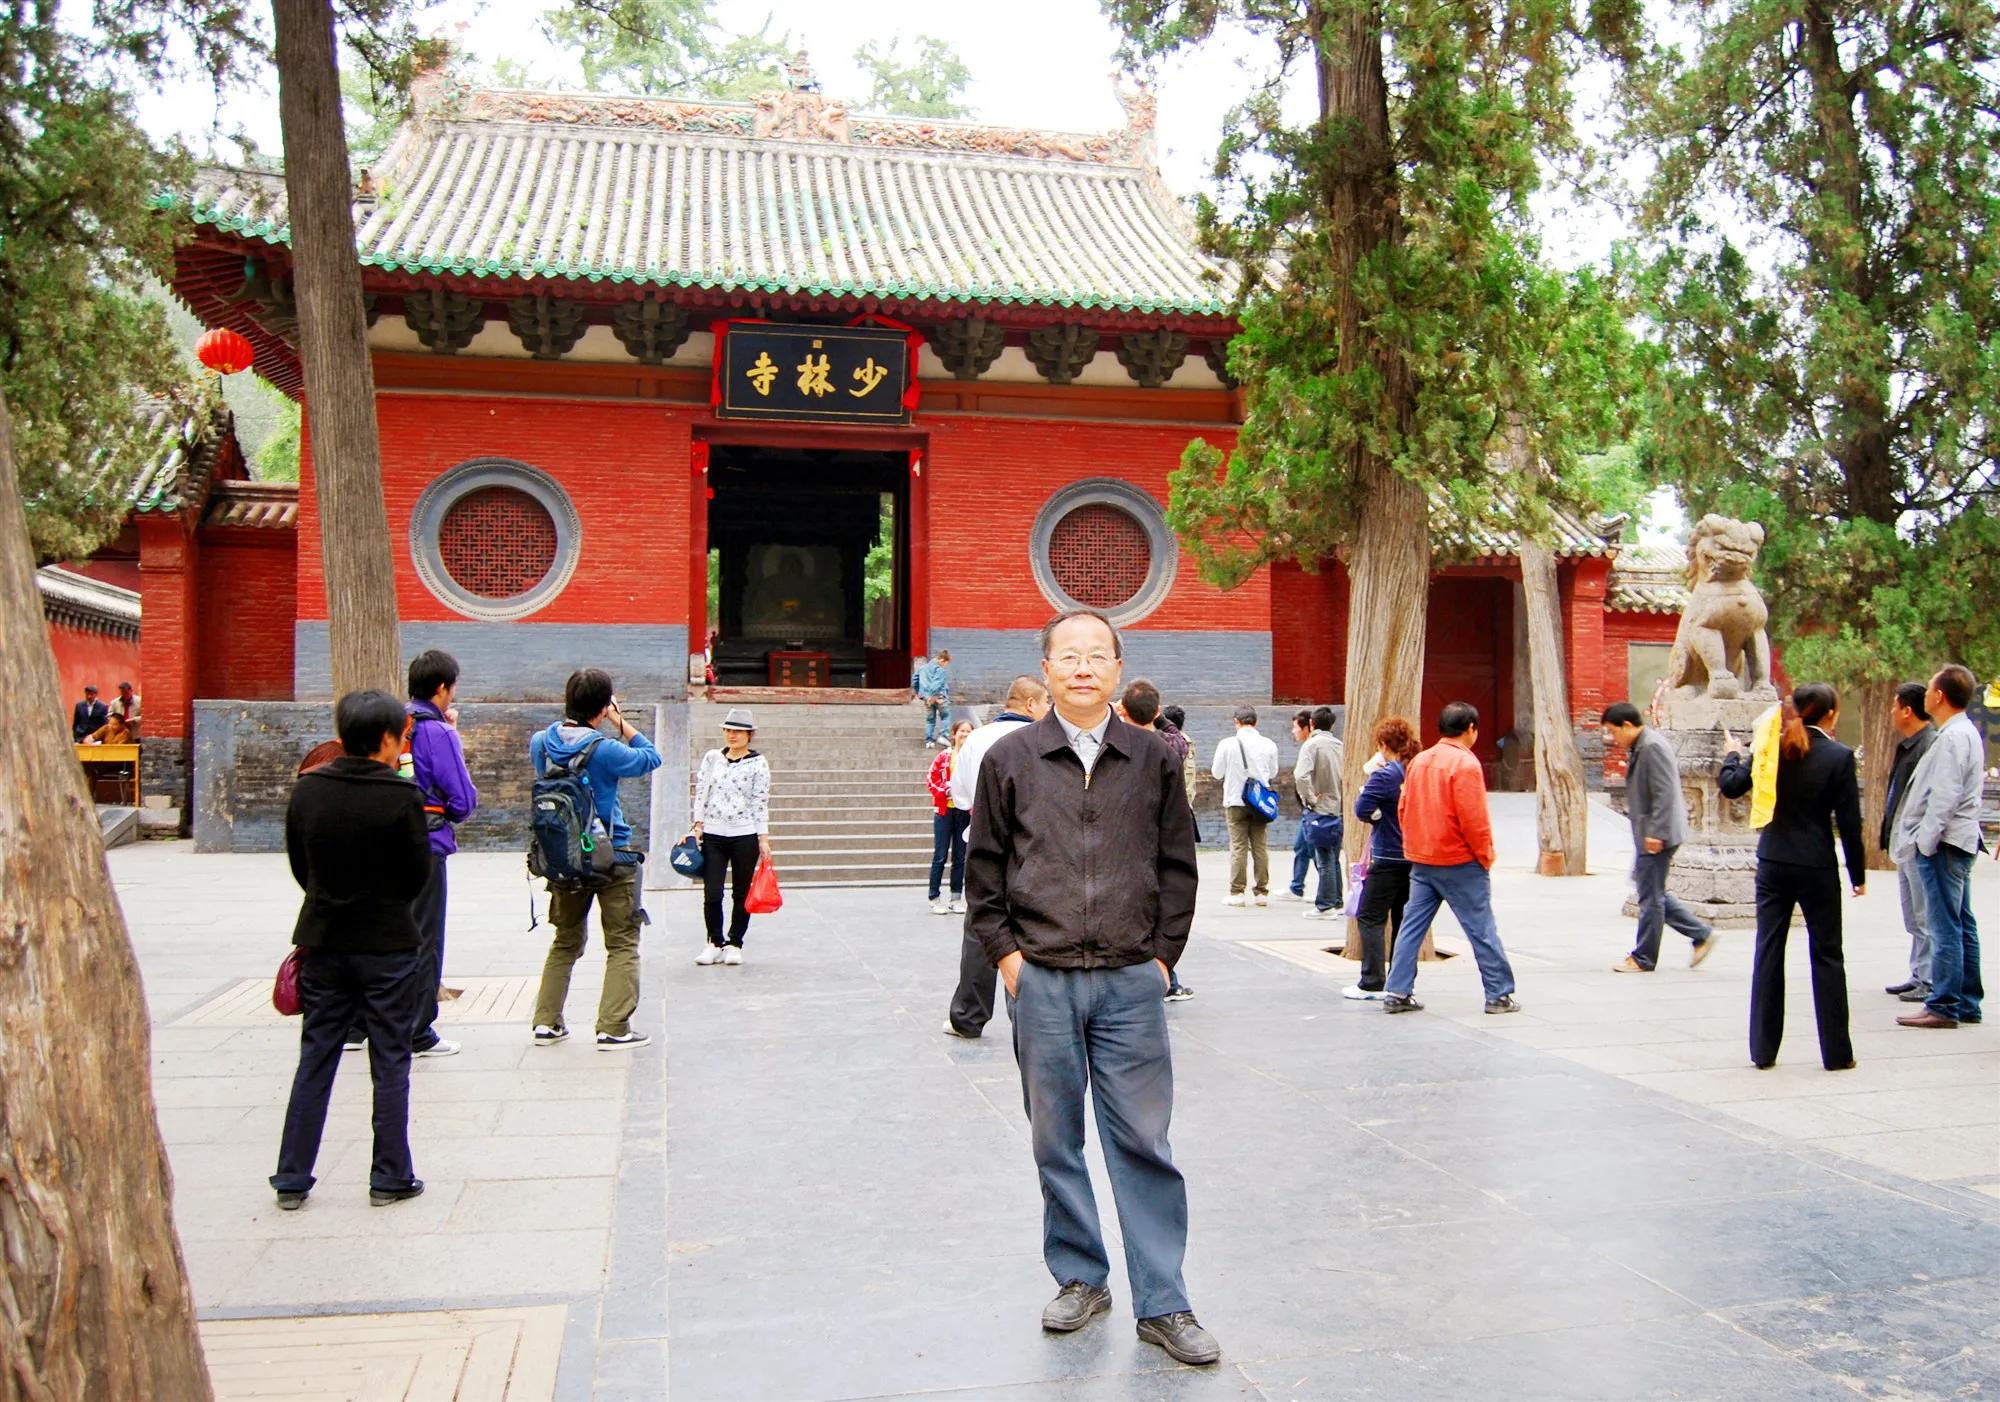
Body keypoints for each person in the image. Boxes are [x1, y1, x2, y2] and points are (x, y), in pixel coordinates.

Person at [964, 610, 1216, 1366]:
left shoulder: (1153, 757)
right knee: (1055, 1140)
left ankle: (1164, 1301)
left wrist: (1162, 958)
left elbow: (1178, 863)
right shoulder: (1010, 758)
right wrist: (1008, 959)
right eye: (1066, 656)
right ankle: (1080, 1276)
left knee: (1143, 1141)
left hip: (1130, 982)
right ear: (1045, 668)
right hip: (1040, 978)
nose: (1081, 667)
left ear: (1116, 667)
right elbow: (984, 871)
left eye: (1095, 655)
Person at [270, 689, 433, 1210]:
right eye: (401, 736)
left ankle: (292, 1176)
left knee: (315, 1057)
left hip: (324, 940)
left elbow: (301, 867)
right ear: (386, 738)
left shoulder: (308, 791)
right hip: (387, 945)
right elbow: (415, 876)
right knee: (390, 1059)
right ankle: (390, 1176)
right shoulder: (400, 796)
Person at [1719, 683, 1863, 1067]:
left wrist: (1732, 756)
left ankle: (1763, 1051)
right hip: (1816, 864)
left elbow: (1731, 786)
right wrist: (1858, 874)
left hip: (1773, 861)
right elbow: (1849, 822)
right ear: (1830, 714)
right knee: (1827, 955)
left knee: (1769, 950)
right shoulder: (1839, 756)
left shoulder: (1769, 749)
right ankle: (1836, 1054)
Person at [529, 670, 664, 1048]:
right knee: (621, 943)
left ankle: (546, 1021)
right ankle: (613, 1026)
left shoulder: (541, 742)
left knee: (565, 941)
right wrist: (620, 722)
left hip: (561, 856)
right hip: (611, 856)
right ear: (603, 708)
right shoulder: (605, 749)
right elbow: (651, 758)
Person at [1381, 702, 1520, 1015]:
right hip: (1460, 861)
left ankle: (1397, 991)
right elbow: (1474, 819)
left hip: (1422, 860)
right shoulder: (1465, 765)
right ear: (1470, 728)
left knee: (1411, 928)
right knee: (1481, 928)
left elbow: (1403, 808)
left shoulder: (1419, 761)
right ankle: (1498, 993)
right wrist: (1485, 855)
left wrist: (1415, 843)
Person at [942, 676, 1049, 1037]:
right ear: (1031, 704)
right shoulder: (1039, 739)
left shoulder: (974, 739)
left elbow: (958, 795)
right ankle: (1036, 1017)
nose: (1048, 708)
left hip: (982, 844)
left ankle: (968, 1016)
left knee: (980, 927)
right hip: (1032, 846)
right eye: (1045, 701)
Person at [1893, 664, 1985, 1030]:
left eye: (1930, 688)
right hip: (1958, 841)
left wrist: (1924, 843)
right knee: (1961, 922)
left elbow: (1943, 797)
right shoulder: (1964, 733)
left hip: (1945, 844)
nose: (1927, 694)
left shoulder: (1951, 738)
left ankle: (1945, 1003)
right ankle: (1966, 1001)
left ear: (1939, 696)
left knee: (1944, 924)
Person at [403, 650, 478, 1056]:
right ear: (442, 688)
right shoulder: (438, 732)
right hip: (426, 846)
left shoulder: (395, 723)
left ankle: (360, 1023)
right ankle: (418, 1030)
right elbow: (462, 800)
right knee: (425, 937)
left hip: (385, 841)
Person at [1604, 701, 1716, 973]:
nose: (1612, 738)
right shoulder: (1641, 746)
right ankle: (1701, 934)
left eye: (1613, 731)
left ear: (1628, 725)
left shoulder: (1652, 747)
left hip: (1658, 834)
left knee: (1650, 897)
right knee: (1651, 892)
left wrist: (1656, 832)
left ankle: (1644, 957)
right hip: (1650, 832)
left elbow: (1665, 793)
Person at [1121, 679, 1195, 1002]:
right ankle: (1166, 974)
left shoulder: (1117, 745)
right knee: (1161, 905)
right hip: (1164, 839)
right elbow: (1177, 736)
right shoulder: (1171, 745)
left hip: (1127, 844)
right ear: (1158, 711)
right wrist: (1156, 715)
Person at [1346, 716, 1419, 1002]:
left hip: (1387, 854)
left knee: (1370, 916)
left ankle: (1372, 980)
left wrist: (1375, 811)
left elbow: (1363, 809)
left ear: (1383, 745)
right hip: (1413, 854)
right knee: (1404, 919)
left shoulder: (1384, 775)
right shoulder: (1413, 771)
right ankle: (1402, 980)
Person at [692, 707, 772, 966]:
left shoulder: (758, 763)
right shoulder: (712, 758)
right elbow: (702, 790)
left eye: (737, 731)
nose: (732, 735)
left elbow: (760, 802)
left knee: (741, 893)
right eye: (728, 730)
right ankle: (714, 941)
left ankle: (735, 942)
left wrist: (763, 838)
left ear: (750, 734)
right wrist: (697, 823)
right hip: (714, 833)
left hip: (744, 834)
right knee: (712, 892)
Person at [1879, 682, 1938, 1003]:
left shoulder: (1930, 745)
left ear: (1907, 710)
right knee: (1912, 914)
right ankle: (1918, 972)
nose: (1891, 712)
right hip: (1904, 840)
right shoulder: (1910, 744)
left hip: (1917, 842)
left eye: (1894, 705)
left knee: (1923, 913)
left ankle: (1928, 978)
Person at [1211, 705, 1279, 906]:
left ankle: (1237, 892)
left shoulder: (1227, 744)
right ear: (1256, 722)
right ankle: (1261, 893)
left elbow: (1217, 773)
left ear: (1236, 722)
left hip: (1235, 800)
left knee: (1238, 846)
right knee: (1260, 846)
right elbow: (1273, 773)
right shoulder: (1269, 744)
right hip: (1259, 803)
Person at [1292, 705, 1344, 919]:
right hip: (1338, 808)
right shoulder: (1340, 745)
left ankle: (1325, 905)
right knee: (1334, 857)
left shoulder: (1311, 745)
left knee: (1323, 858)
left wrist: (1310, 799)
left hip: (1320, 808)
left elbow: (1301, 776)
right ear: (1332, 724)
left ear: (1312, 724)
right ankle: (1337, 901)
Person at [926, 719, 975, 915]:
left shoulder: (973, 759)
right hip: (944, 811)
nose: (965, 734)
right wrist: (946, 791)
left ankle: (956, 897)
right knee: (940, 855)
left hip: (964, 811)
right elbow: (931, 778)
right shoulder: (943, 757)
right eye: (962, 731)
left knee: (960, 856)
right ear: (954, 734)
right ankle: (934, 896)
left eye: (969, 731)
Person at [915, 650, 953, 747]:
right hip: (939, 697)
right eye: (946, 663)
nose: (945, 666)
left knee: (930, 720)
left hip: (926, 698)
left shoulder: (922, 668)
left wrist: (920, 693)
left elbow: (915, 680)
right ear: (942, 660)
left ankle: (929, 741)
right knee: (945, 716)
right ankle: (943, 736)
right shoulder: (940, 670)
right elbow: (936, 684)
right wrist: (932, 696)